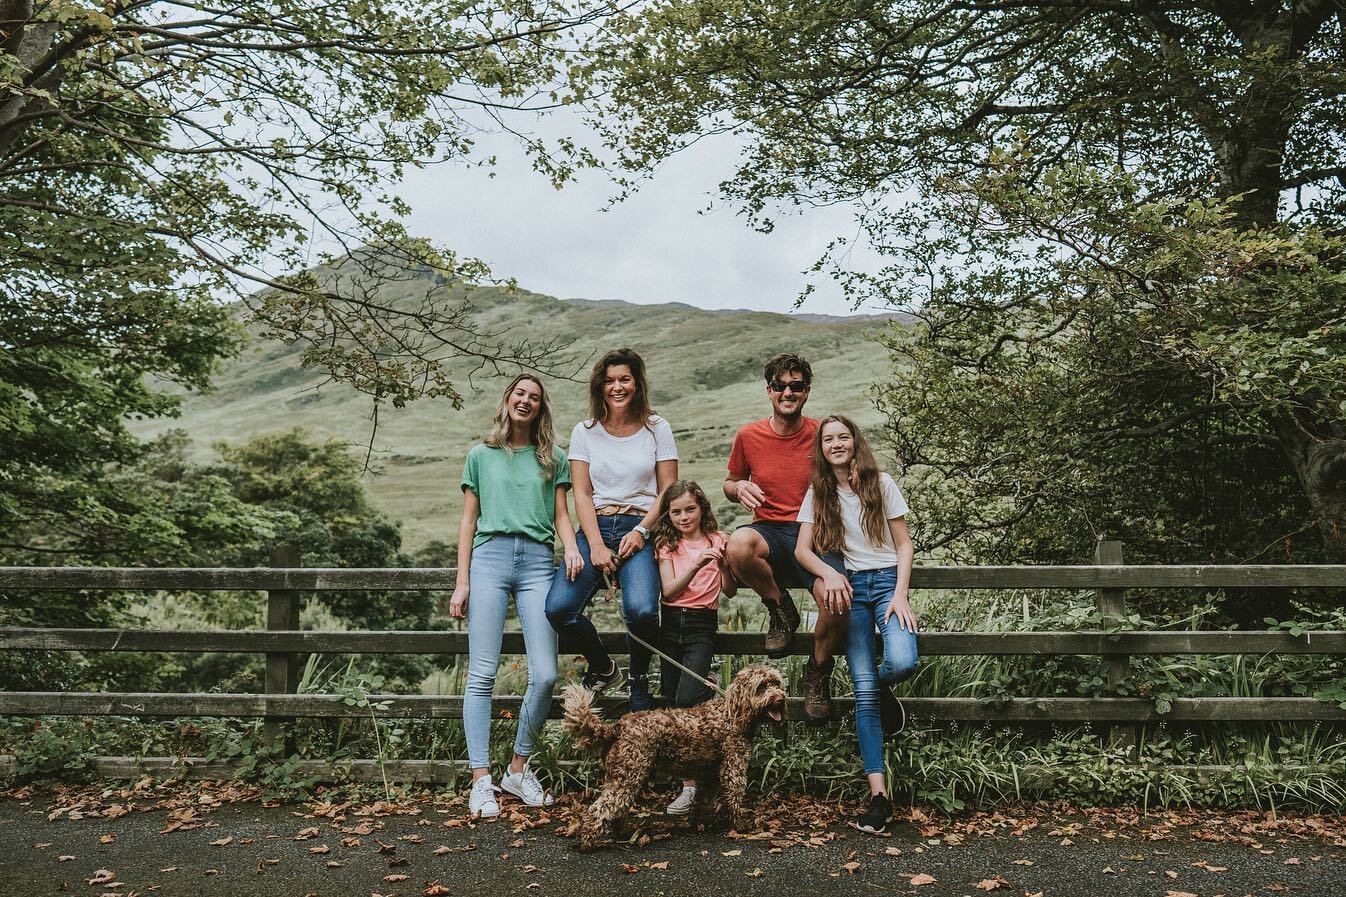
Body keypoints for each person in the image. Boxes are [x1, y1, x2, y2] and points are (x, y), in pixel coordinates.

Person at [449, 374, 583, 818]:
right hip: (489, 559)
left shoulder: (554, 459)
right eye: (519, 394)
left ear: (541, 408)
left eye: (534, 398)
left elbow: (562, 515)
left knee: (545, 674)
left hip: (538, 564)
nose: (525, 401)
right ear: (507, 400)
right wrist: (462, 580)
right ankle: (480, 779)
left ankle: (518, 769)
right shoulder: (479, 455)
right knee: (482, 672)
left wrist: (573, 551)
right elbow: (469, 521)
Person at [795, 414, 917, 835]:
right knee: (862, 694)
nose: (836, 444)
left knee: (903, 662)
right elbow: (802, 550)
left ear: (854, 441)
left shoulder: (880, 483)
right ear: (822, 449)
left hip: (886, 586)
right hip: (852, 593)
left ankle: (881, 686)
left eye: (843, 436)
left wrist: (900, 594)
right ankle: (878, 795)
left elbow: (904, 544)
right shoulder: (818, 492)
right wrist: (828, 575)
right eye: (828, 439)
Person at [546, 348, 678, 711]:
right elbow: (583, 493)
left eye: (624, 379)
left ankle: (638, 679)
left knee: (641, 610)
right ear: (599, 386)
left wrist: (642, 532)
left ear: (637, 383)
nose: (617, 387)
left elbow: (668, 489)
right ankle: (604, 668)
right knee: (559, 608)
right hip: (597, 525)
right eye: (609, 380)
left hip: (641, 525)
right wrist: (596, 545)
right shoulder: (585, 431)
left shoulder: (657, 427)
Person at [723, 353, 846, 720]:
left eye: (796, 385)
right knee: (738, 545)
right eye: (780, 386)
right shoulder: (749, 436)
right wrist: (739, 487)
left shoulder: (821, 434)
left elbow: (849, 473)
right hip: (771, 530)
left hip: (818, 534)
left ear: (806, 391)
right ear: (769, 391)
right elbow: (730, 482)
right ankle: (780, 609)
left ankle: (817, 672)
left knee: (837, 602)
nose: (788, 392)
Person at [651, 479, 736, 815]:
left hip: (702, 623)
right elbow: (669, 591)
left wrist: (723, 564)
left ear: (702, 508)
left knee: (689, 699)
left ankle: (706, 691)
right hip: (671, 623)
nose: (684, 517)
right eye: (676, 512)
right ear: (668, 516)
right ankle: (688, 787)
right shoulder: (667, 544)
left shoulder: (718, 540)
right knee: (674, 704)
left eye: (690, 509)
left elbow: (729, 590)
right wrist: (698, 563)